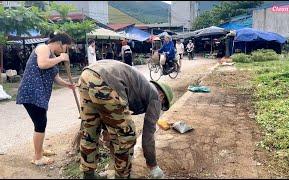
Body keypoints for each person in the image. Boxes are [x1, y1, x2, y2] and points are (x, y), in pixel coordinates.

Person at [78, 60, 174, 179]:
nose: (160, 108)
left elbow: (107, 113)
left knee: (90, 130)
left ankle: (89, 175)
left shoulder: (140, 87)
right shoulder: (155, 97)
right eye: (163, 105)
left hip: (87, 74)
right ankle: (123, 176)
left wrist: (107, 130)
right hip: (106, 80)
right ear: (162, 96)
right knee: (127, 137)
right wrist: (152, 165)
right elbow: (148, 135)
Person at [16, 32, 75, 166]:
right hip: (31, 93)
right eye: (67, 47)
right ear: (60, 43)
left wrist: (68, 85)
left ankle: (40, 150)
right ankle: (38, 157)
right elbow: (42, 64)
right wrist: (61, 58)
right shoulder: (43, 48)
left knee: (41, 121)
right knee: (40, 123)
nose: (66, 50)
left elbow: (55, 77)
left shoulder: (52, 55)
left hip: (39, 94)